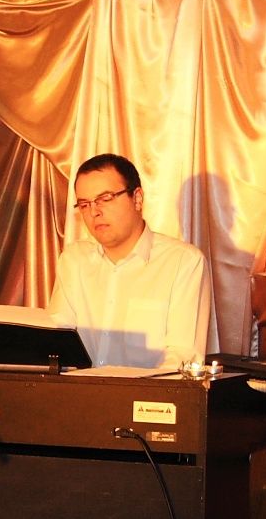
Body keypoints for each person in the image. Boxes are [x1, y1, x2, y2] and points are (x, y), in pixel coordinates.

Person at [47, 153, 212, 369]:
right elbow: (57, 340)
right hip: (78, 388)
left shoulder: (183, 263)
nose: (94, 212)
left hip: (147, 390)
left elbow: (182, 356)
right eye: (85, 204)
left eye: (105, 199)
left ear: (137, 198)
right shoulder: (74, 260)